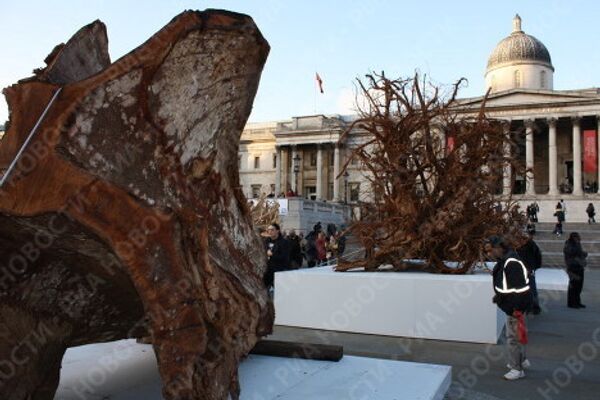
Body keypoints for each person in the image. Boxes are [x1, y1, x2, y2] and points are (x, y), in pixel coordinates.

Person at [484, 236, 533, 381]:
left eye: (490, 250)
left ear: (499, 248)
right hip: (512, 305)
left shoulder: (510, 262)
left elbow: (520, 289)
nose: (489, 254)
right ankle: (521, 360)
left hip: (514, 307)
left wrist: (515, 309)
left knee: (513, 338)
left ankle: (516, 368)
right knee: (519, 335)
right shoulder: (507, 260)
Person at [516, 232, 543, 315]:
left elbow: (537, 256)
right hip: (523, 270)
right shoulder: (518, 248)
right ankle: (528, 307)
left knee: (531, 289)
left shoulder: (530, 246)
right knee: (525, 290)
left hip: (528, 270)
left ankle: (534, 307)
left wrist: (534, 267)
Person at [563, 232, 588, 309]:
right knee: (573, 286)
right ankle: (572, 303)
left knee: (579, 286)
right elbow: (571, 252)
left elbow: (579, 253)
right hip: (572, 267)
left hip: (579, 267)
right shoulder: (568, 244)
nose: (578, 238)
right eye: (577, 237)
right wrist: (581, 252)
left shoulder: (577, 244)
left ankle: (577, 301)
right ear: (573, 237)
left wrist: (584, 254)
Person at [263, 223, 290, 290]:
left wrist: (272, 255)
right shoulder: (266, 241)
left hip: (278, 271)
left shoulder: (284, 242)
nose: (270, 232)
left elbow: (285, 257)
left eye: (272, 230)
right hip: (266, 271)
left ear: (277, 231)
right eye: (268, 230)